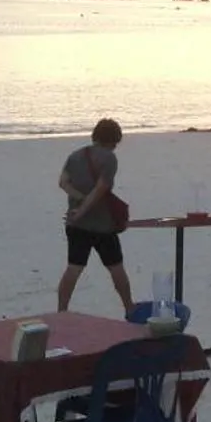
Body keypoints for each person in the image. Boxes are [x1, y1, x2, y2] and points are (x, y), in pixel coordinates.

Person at [57, 118, 135, 314]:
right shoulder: (109, 159)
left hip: (75, 224)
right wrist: (83, 209)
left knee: (73, 268)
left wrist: (79, 200)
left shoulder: (75, 155)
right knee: (116, 267)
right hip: (102, 225)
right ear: (114, 140)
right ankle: (129, 308)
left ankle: (61, 310)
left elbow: (63, 183)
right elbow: (101, 189)